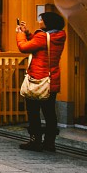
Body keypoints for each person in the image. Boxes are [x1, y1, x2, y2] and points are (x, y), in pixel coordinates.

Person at [16, 12, 67, 152]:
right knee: (50, 112)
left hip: (37, 79)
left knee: (33, 111)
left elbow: (24, 47)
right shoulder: (59, 36)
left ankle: (35, 141)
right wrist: (29, 33)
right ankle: (50, 142)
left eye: (41, 20)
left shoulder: (43, 36)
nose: (39, 22)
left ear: (47, 22)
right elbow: (41, 45)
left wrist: (20, 34)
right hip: (51, 80)